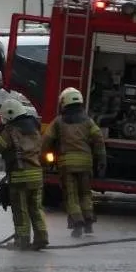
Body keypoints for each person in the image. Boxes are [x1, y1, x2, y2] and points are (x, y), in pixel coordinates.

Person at [42, 87, 106, 238]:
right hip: (85, 164)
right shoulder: (88, 122)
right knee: (85, 193)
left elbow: (46, 141)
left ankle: (77, 224)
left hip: (67, 165)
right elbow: (98, 140)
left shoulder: (58, 122)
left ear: (63, 102)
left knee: (71, 196)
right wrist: (101, 159)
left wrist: (41, 160)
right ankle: (89, 221)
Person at [0, 98, 48, 250]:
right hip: (36, 174)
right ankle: (42, 238)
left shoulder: (10, 130)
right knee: (36, 208)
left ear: (10, 115)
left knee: (20, 210)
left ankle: (22, 241)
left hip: (20, 175)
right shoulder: (34, 127)